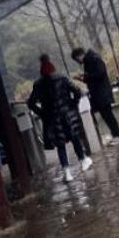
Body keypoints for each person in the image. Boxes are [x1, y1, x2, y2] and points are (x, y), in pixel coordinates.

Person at [28, 54, 93, 182]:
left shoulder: (38, 84)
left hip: (52, 119)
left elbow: (31, 103)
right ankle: (83, 160)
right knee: (75, 139)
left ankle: (67, 172)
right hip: (67, 115)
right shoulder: (62, 78)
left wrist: (42, 113)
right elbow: (77, 91)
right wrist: (73, 105)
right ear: (52, 65)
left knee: (60, 145)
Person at [70, 47, 119, 142]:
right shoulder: (91, 59)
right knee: (106, 115)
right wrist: (84, 76)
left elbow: (99, 74)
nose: (78, 61)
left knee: (108, 115)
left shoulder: (93, 59)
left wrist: (83, 78)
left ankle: (117, 135)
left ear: (79, 56)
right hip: (99, 93)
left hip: (101, 93)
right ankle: (114, 134)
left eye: (76, 59)